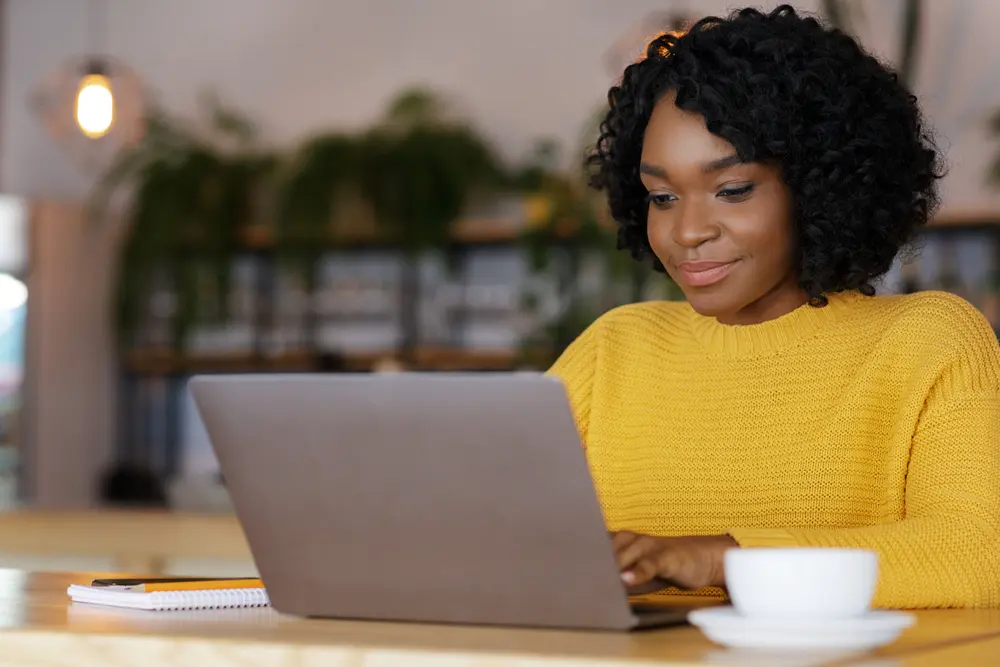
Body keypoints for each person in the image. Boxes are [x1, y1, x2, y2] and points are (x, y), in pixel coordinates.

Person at [548, 5, 1000, 609]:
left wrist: (717, 558)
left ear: (819, 186)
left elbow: (974, 555)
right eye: (662, 196)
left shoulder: (928, 341)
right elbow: (478, 523)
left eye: (732, 190)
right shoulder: (613, 350)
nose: (687, 231)